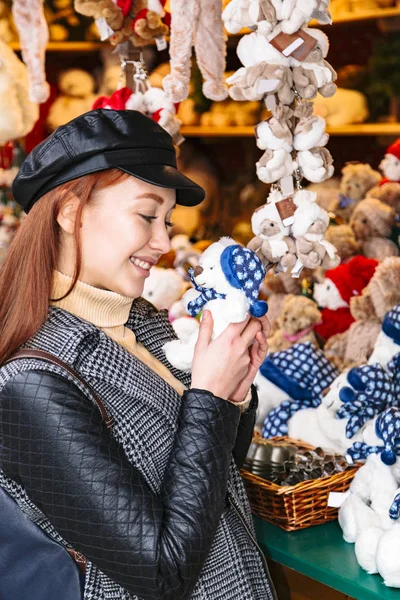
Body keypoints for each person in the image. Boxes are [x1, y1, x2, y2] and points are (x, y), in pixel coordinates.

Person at [0, 109, 274, 600]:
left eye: (167, 220)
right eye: (147, 215)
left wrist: (233, 391)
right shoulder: (32, 382)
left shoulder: (141, 320)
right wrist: (208, 395)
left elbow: (215, 475)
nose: (164, 241)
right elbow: (160, 572)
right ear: (70, 212)